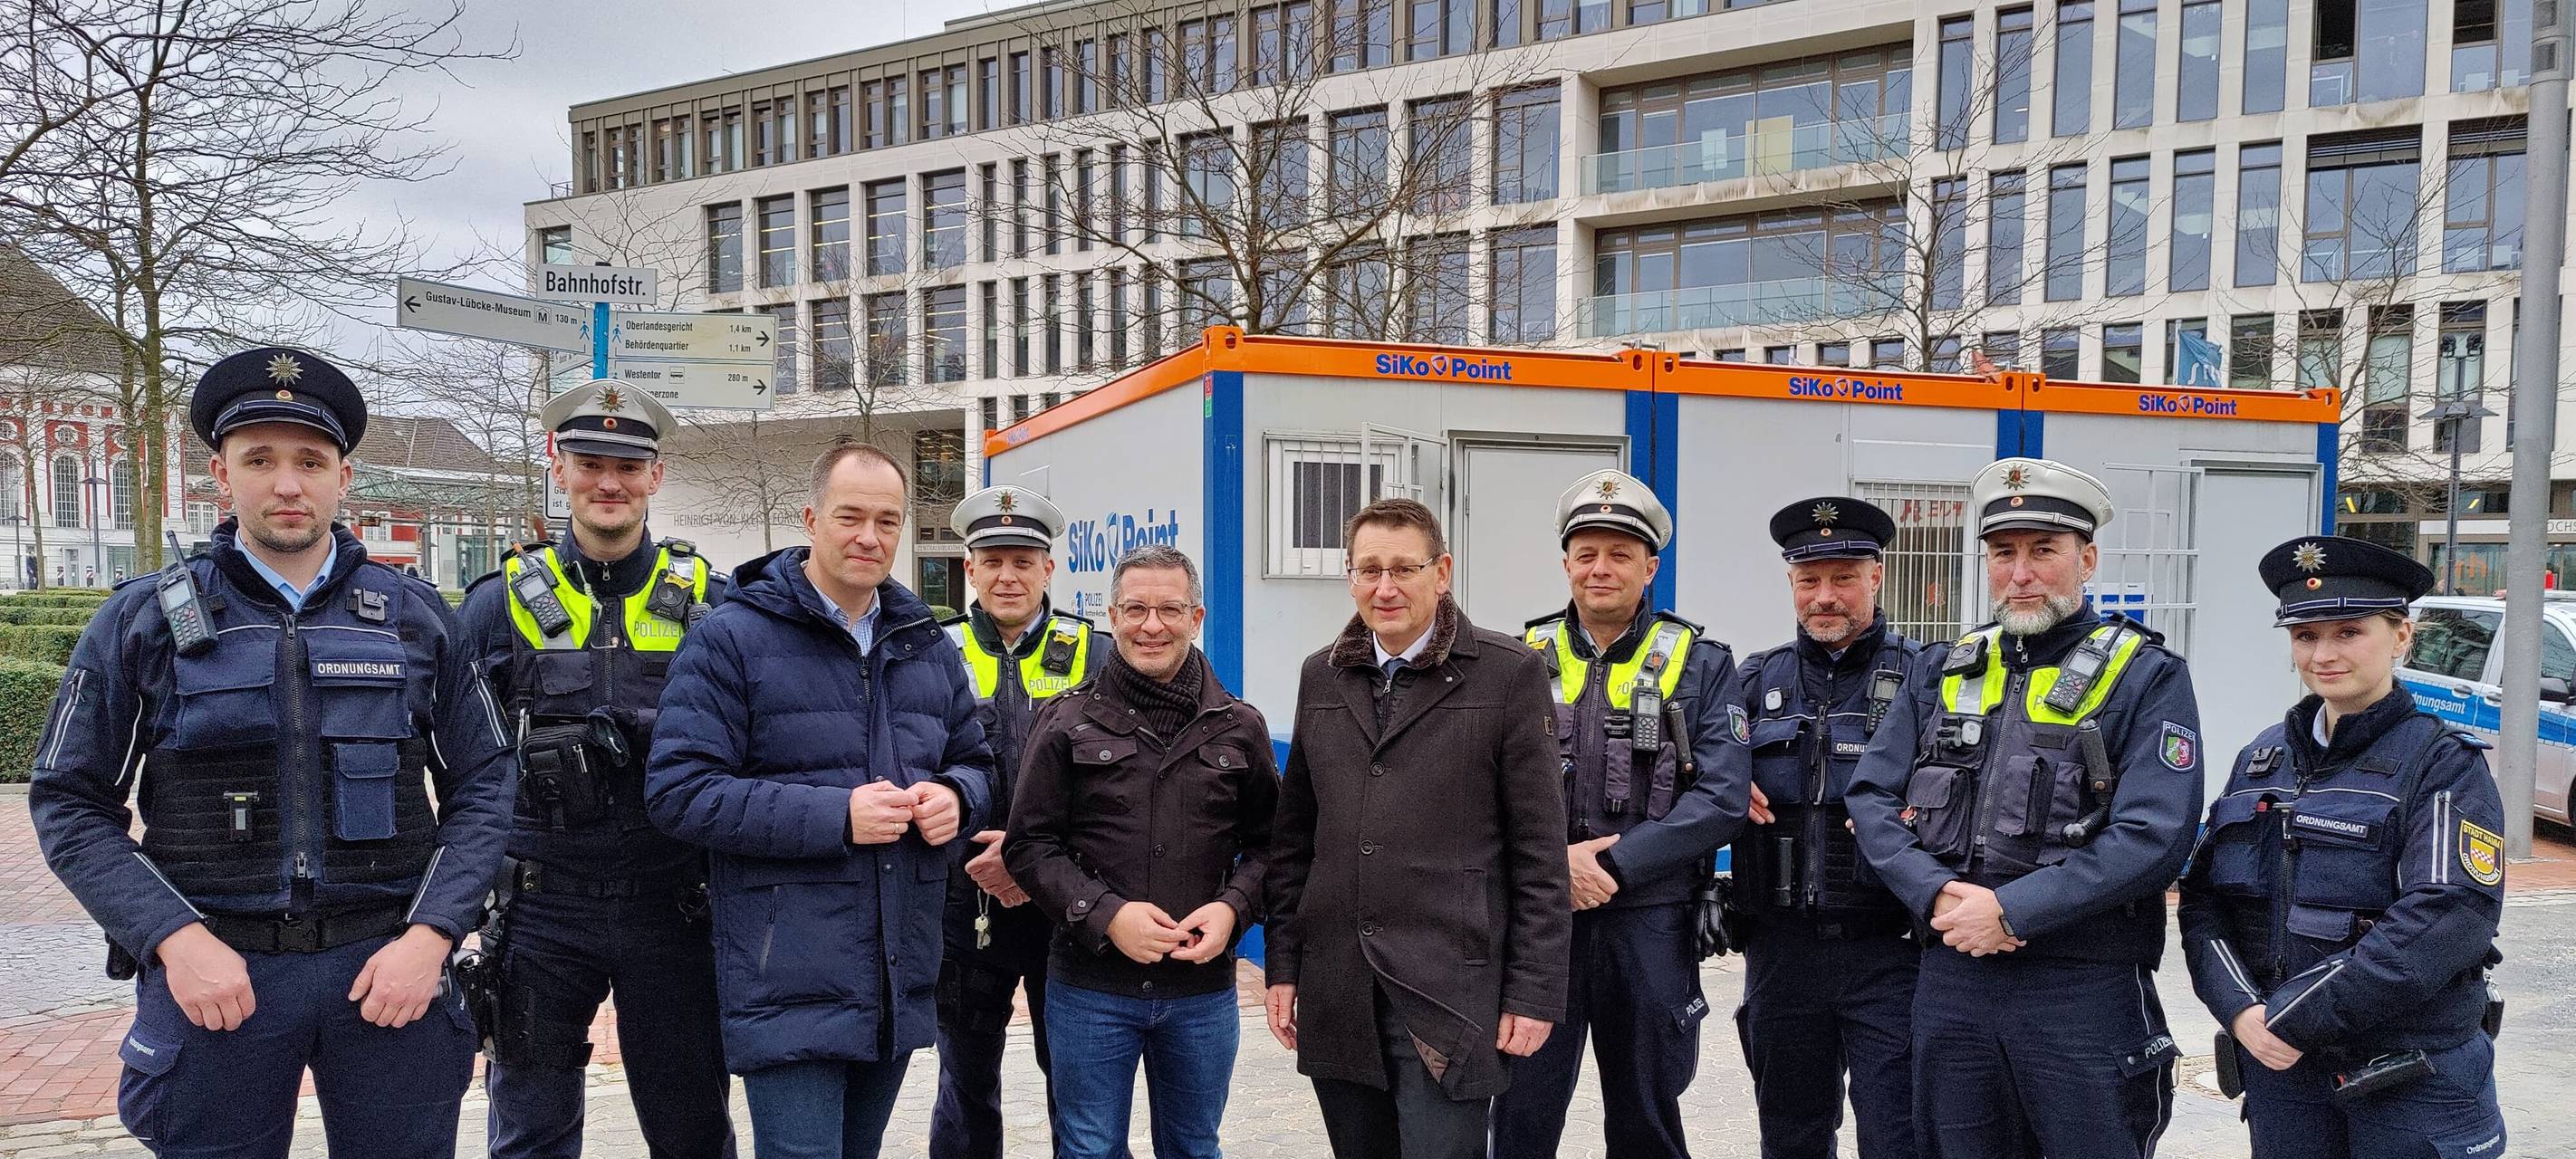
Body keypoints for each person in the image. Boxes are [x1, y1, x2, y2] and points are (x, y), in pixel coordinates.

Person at [28, 347, 515, 1158]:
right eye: (260, 460)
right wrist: (172, 939)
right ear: (222, 475)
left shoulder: (418, 618)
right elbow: (69, 802)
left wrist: (432, 935)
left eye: (310, 462)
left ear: (343, 478)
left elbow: (488, 782)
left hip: (385, 974)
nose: (287, 485)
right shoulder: (142, 620)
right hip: (218, 979)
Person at [1845, 456, 2202, 1159]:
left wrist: (2012, 912)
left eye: (2044, 551)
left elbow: (2153, 835)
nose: (2021, 572)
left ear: (2087, 558)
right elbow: (1871, 797)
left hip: (2080, 986)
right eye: (2004, 553)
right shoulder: (1945, 667)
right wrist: (1939, 895)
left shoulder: (2145, 675)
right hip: (1954, 977)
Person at [647, 441, 992, 1159]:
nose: (870, 537)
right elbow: (679, 792)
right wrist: (836, 816)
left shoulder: (926, 645)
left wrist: (957, 799)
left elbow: (975, 760)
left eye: (888, 521)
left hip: (898, 968)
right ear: (811, 518)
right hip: (787, 976)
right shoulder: (730, 641)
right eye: (851, 516)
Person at [456, 381, 735, 1159]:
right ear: (557, 463)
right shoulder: (498, 603)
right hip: (542, 912)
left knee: (693, 1133)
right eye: (589, 461)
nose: (608, 482)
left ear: (657, 474)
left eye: (628, 464)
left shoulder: (714, 599)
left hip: (674, 907)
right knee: (530, 1132)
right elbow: (449, 761)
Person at [2177, 536, 2506, 1157]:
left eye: (2349, 632)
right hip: (2282, 1073)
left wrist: (2289, 1017)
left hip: (2411, 1075)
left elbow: (2445, 920)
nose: (2322, 654)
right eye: (2305, 637)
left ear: (2401, 636)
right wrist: (2241, 1011)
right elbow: (2202, 902)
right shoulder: (2261, 760)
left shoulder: (2443, 764)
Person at [1265, 497, 1570, 1159]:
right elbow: (1295, 842)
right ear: (1348, 574)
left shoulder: (1509, 673)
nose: (1386, 587)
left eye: (1405, 568)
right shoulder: (1322, 675)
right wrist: (1283, 967)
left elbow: (1541, 854)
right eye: (1369, 569)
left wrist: (1535, 991)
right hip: (1341, 988)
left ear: (1443, 571)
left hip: (1449, 992)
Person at [1490, 470, 1750, 1159]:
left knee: (1646, 1117)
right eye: (1586, 553)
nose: (1601, 569)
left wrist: (1613, 864)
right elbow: (1484, 795)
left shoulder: (1701, 663)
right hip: (1542, 926)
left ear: (1650, 566)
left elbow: (1722, 797)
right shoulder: (1517, 658)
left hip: (1650, 924)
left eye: (1620, 554)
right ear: (1567, 563)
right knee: (1519, 1112)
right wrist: (1556, 869)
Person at [1004, 543, 1278, 1159]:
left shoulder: (1240, 727)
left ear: (1196, 617)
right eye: (1135, 609)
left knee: (1192, 1146)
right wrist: (1107, 916)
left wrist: (1234, 907)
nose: (1151, 625)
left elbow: (1273, 849)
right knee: (1090, 1148)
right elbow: (1030, 847)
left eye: (1168, 609)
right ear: (1112, 615)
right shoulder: (1066, 722)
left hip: (1201, 995)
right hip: (1090, 992)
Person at [1729, 497, 1924, 1159]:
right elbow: (1695, 773)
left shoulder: (1929, 676)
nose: (1825, 597)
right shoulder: (1754, 679)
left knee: (1898, 1135)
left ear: (1877, 576)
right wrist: (1726, 781)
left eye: (1844, 578)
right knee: (1790, 1133)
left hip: (1890, 949)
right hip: (1782, 952)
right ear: (1790, 584)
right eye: (1809, 581)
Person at [929, 484, 1101, 1159]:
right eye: (992, 559)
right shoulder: (929, 651)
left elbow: (1120, 788)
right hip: (961, 903)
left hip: (1065, 905)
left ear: (1049, 570)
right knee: (964, 1082)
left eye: (1024, 561)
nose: (1008, 575)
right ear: (968, 567)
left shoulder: (1097, 654)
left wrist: (1030, 861)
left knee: (1075, 1080)